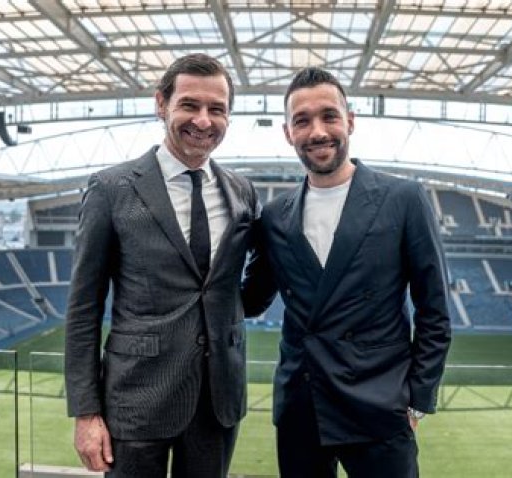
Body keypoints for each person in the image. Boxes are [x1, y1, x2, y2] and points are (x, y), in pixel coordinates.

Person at [242, 67, 451, 477]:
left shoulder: (403, 199)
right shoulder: (275, 216)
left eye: (329, 116)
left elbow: (435, 310)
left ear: (350, 121)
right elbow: (251, 299)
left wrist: (417, 399)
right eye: (302, 121)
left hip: (379, 406)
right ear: (288, 133)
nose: (317, 131)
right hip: (301, 409)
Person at [65, 53, 260, 478]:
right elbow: (83, 308)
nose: (204, 120)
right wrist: (86, 412)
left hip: (218, 401)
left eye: (217, 109)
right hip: (137, 399)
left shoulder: (242, 191)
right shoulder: (111, 189)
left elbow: (240, 282)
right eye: (190, 104)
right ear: (161, 104)